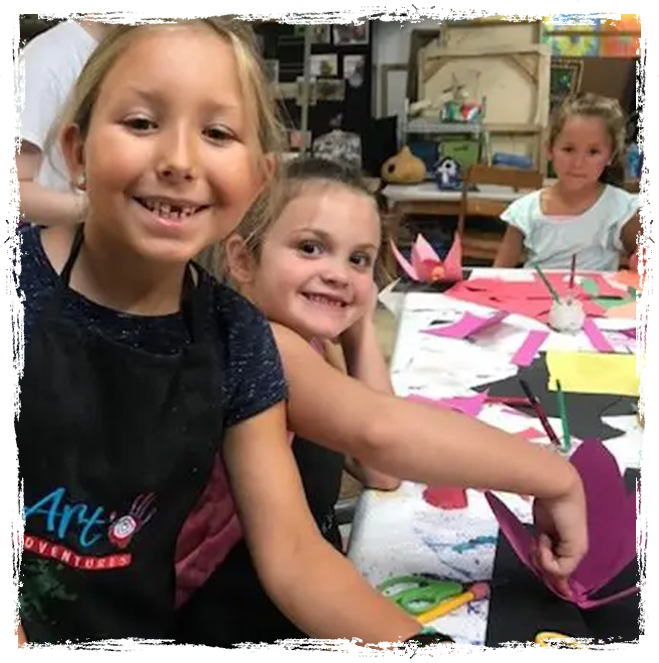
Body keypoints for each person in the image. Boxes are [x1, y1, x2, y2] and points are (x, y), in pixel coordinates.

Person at [9, 15, 586, 662]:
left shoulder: (236, 339)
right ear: (76, 150)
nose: (177, 159)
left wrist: (415, 647)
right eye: (141, 123)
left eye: (217, 132)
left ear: (256, 179)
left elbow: (294, 547)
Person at [167, 157, 401, 655]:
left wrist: (355, 328)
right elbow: (385, 450)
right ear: (243, 259)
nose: (338, 274)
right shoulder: (264, 349)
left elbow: (377, 470)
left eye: (359, 259)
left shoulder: (316, 345)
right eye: (311, 248)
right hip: (228, 624)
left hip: (297, 607)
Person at [494, 93, 653, 270]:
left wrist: (643, 264)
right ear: (550, 150)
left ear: (610, 156)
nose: (578, 163)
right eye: (568, 149)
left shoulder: (622, 209)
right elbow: (498, 274)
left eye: (593, 152)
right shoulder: (525, 210)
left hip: (595, 297)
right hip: (535, 296)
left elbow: (647, 268)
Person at [9, 12, 117, 228]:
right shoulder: (47, 60)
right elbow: (11, 192)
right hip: (64, 246)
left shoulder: (135, 52)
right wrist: (107, 210)